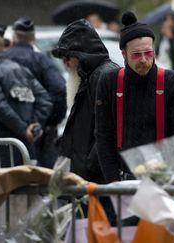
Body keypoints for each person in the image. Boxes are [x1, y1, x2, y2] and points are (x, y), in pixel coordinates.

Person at [95, 11, 174, 183]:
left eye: (148, 53)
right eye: (136, 54)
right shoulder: (109, 82)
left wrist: (167, 180)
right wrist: (113, 184)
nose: (143, 60)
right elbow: (104, 136)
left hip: (162, 178)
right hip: (121, 179)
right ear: (124, 54)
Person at [0, 25, 53, 167]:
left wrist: (24, 130)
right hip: (25, 149)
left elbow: (0, 107)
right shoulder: (22, 70)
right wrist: (33, 126)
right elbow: (45, 100)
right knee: (26, 188)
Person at [51, 19, 119, 183]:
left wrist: (91, 166)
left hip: (99, 177)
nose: (65, 63)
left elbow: (112, 128)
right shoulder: (88, 77)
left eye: (67, 56)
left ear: (81, 54)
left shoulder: (105, 76)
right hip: (88, 176)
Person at [4, 16, 67, 168]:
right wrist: (47, 121)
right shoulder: (41, 60)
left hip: (6, 135)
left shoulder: (2, 60)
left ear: (13, 37)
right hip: (39, 133)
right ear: (33, 38)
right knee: (40, 182)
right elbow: (59, 89)